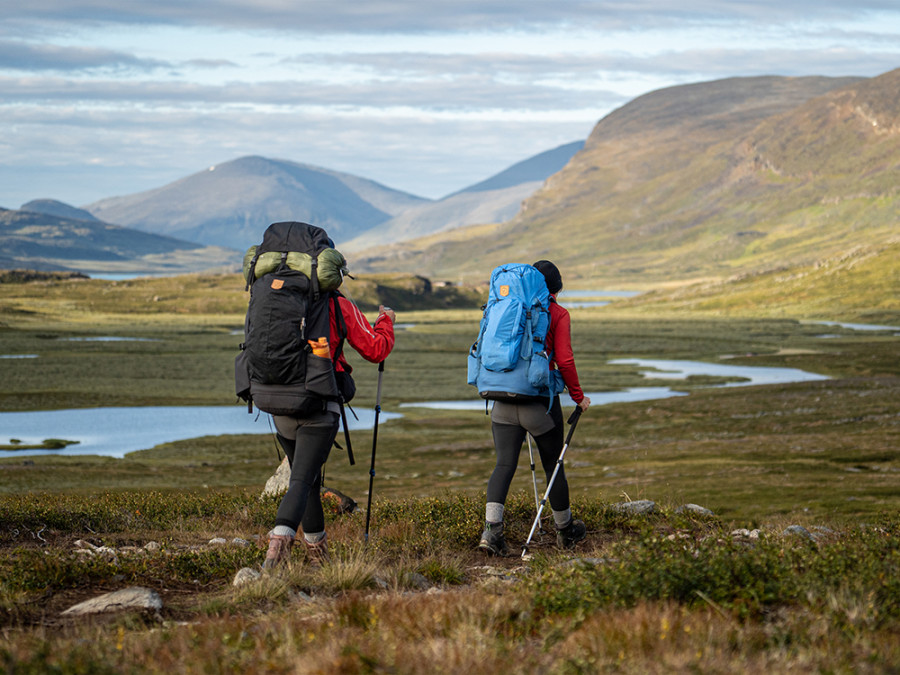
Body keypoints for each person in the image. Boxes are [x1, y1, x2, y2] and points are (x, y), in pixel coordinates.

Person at [264, 287, 395, 569]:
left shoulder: (274, 299)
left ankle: (319, 559)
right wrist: (386, 321)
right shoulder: (337, 303)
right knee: (301, 481)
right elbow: (376, 349)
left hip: (279, 403)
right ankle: (275, 555)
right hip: (319, 404)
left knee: (307, 479)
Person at [479, 260, 591, 556]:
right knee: (553, 466)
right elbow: (564, 361)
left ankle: (491, 533)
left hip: (501, 398)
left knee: (503, 465)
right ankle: (565, 531)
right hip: (538, 403)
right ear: (557, 288)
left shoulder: (507, 306)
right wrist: (578, 396)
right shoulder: (557, 314)